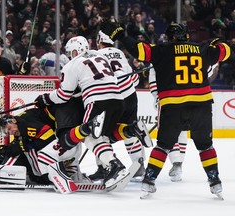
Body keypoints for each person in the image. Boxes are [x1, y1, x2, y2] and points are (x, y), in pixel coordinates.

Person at [100, 20, 231, 198]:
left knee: (162, 146)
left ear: (170, 37)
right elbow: (226, 51)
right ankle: (215, 182)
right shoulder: (202, 49)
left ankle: (148, 181)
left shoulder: (162, 50)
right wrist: (216, 42)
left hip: (172, 106)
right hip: (201, 106)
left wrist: (121, 35)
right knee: (206, 146)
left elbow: (139, 50)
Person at [35, 36, 151, 189]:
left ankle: (114, 166)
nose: (71, 55)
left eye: (71, 52)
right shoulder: (100, 56)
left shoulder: (72, 65)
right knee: (105, 136)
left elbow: (64, 95)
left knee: (88, 134)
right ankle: (131, 130)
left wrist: (45, 98)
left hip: (97, 100)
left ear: (75, 51)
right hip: (118, 98)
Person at [88, 30, 152, 182]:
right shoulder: (119, 53)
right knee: (128, 129)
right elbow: (134, 79)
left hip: (111, 97)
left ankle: (105, 167)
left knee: (100, 134)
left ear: (99, 41)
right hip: (130, 96)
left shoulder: (95, 56)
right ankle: (139, 166)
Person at [0, 107, 104, 191]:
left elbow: (47, 135)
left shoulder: (24, 123)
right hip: (70, 142)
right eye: (7, 132)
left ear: (14, 120)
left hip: (67, 142)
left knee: (42, 156)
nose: (10, 132)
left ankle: (58, 175)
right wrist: (7, 150)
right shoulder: (20, 125)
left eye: (9, 129)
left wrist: (22, 146)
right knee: (32, 151)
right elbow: (24, 144)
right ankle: (73, 174)